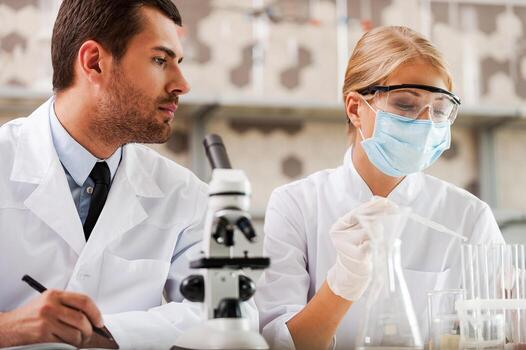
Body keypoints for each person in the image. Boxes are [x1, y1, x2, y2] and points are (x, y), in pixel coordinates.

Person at [255, 26, 505, 350]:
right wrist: (341, 283)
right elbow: (279, 344)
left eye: (440, 109)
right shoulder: (296, 205)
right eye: (405, 104)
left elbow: (500, 335)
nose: (426, 123)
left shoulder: (469, 217)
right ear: (356, 109)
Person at [0, 1, 214, 348]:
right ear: (94, 62)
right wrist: (10, 326)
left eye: (178, 62)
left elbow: (225, 313)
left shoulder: (185, 193)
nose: (182, 84)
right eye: (160, 60)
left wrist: (107, 335)